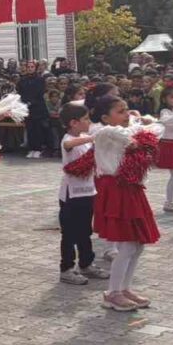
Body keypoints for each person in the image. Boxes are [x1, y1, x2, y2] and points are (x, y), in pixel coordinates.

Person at [91, 96, 162, 311]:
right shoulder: (103, 132)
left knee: (138, 245)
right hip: (116, 190)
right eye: (120, 111)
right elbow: (123, 136)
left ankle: (124, 288)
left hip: (130, 189)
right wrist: (139, 126)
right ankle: (113, 292)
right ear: (105, 117)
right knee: (128, 244)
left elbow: (154, 131)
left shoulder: (125, 129)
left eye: (127, 110)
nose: (126, 115)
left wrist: (144, 124)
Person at [57, 103, 108, 287]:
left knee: (85, 231)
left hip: (88, 192)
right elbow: (69, 144)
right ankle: (67, 269)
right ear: (73, 123)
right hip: (71, 195)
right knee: (69, 233)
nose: (89, 122)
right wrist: (93, 138)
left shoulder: (86, 137)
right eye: (85, 119)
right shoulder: (68, 139)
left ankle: (86, 263)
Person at [18, 61, 49, 158]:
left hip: (38, 108)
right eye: (28, 67)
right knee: (30, 129)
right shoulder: (22, 80)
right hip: (27, 108)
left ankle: (38, 149)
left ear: (35, 68)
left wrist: (31, 102)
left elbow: (40, 93)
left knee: (38, 129)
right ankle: (31, 149)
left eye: (32, 67)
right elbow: (20, 92)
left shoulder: (40, 79)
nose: (30, 68)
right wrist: (23, 103)